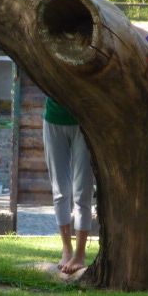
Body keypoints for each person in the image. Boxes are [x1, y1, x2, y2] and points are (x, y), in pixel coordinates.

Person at [43, 97, 94, 275]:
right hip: (53, 118)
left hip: (84, 119)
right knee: (60, 191)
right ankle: (67, 249)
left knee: (82, 190)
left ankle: (80, 254)